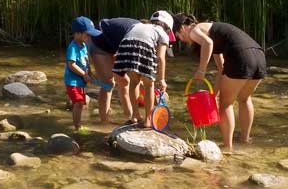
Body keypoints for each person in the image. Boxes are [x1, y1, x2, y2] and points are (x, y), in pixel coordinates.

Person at [176, 16, 267, 152]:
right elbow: (222, 69)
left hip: (241, 56)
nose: (182, 40)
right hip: (259, 56)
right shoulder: (214, 31)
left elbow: (207, 43)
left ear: (183, 28)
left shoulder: (195, 30)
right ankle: (245, 139)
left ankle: (227, 147)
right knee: (244, 99)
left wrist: (201, 70)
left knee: (225, 105)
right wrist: (214, 94)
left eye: (179, 36)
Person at [112, 11, 175, 128]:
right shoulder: (163, 34)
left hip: (125, 47)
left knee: (134, 82)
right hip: (143, 47)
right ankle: (148, 119)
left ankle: (135, 116)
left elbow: (131, 38)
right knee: (148, 85)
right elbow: (161, 57)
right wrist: (162, 79)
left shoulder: (137, 25)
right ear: (167, 27)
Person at [86, 15, 140, 126]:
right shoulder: (138, 35)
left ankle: (130, 117)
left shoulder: (143, 33)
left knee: (125, 81)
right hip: (99, 42)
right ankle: (104, 122)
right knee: (108, 84)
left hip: (114, 44)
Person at [65, 16, 98, 132]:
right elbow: (71, 65)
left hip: (81, 82)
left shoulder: (84, 45)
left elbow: (86, 61)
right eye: (87, 34)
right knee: (78, 103)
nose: (89, 37)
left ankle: (77, 124)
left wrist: (90, 72)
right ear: (78, 33)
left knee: (81, 104)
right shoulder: (73, 47)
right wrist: (84, 74)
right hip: (72, 81)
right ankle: (77, 127)